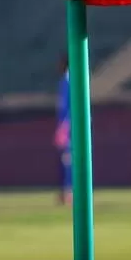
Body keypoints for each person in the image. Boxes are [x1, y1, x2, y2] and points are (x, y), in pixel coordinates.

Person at [55, 54, 73, 206]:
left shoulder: (69, 82)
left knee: (68, 160)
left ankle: (69, 193)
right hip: (65, 127)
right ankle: (65, 192)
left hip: (69, 129)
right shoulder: (64, 81)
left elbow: (68, 109)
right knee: (65, 161)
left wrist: (64, 127)